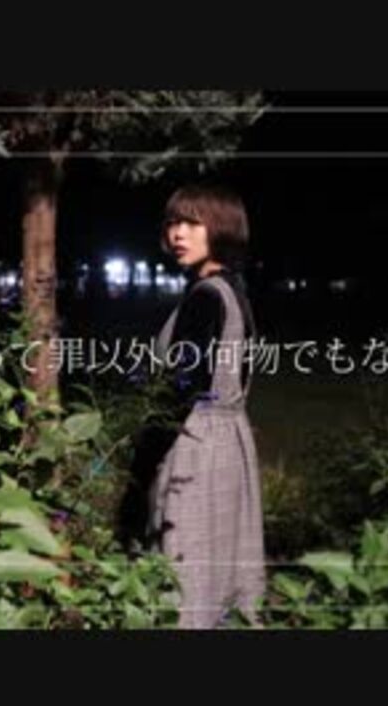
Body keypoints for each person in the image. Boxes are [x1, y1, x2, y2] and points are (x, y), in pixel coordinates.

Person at [144, 183, 267, 630]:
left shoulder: (205, 297)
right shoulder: (233, 290)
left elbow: (181, 389)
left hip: (196, 445)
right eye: (173, 223)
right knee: (223, 566)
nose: (178, 233)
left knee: (187, 569)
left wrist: (143, 459)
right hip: (231, 444)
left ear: (221, 228)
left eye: (192, 223)